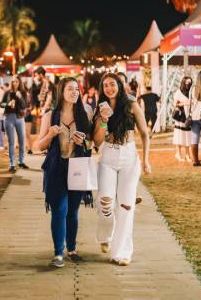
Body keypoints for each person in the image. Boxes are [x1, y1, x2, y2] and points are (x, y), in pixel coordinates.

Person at [92, 73, 151, 266]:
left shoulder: (132, 105)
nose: (109, 88)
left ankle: (122, 252)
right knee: (106, 204)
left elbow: (144, 133)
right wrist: (103, 120)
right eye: (105, 85)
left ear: (119, 85)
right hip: (108, 156)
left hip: (129, 156)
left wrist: (146, 160)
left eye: (112, 84)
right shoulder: (101, 109)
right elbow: (97, 141)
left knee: (126, 206)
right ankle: (105, 236)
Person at [34, 77, 93, 268]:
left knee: (73, 210)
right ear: (62, 92)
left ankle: (72, 249)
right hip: (57, 168)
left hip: (78, 167)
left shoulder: (85, 114)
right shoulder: (50, 116)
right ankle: (58, 253)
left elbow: (93, 143)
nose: (75, 92)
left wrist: (82, 142)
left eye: (77, 89)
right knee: (59, 209)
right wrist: (50, 135)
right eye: (70, 89)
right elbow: (37, 146)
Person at [1, 75, 29, 172]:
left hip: (20, 118)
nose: (15, 83)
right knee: (11, 142)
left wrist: (20, 97)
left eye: (16, 81)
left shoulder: (23, 93)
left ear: (19, 82)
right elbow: (1, 104)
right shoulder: (7, 92)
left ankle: (21, 161)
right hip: (9, 118)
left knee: (22, 140)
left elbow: (25, 105)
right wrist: (7, 104)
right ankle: (12, 163)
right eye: (13, 81)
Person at [173, 76, 193, 162]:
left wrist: (188, 103)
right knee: (179, 135)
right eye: (187, 82)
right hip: (181, 117)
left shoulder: (192, 92)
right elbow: (175, 104)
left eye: (190, 82)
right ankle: (178, 153)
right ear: (183, 83)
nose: (189, 84)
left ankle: (187, 155)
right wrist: (185, 103)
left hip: (189, 117)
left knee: (187, 136)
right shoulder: (178, 92)